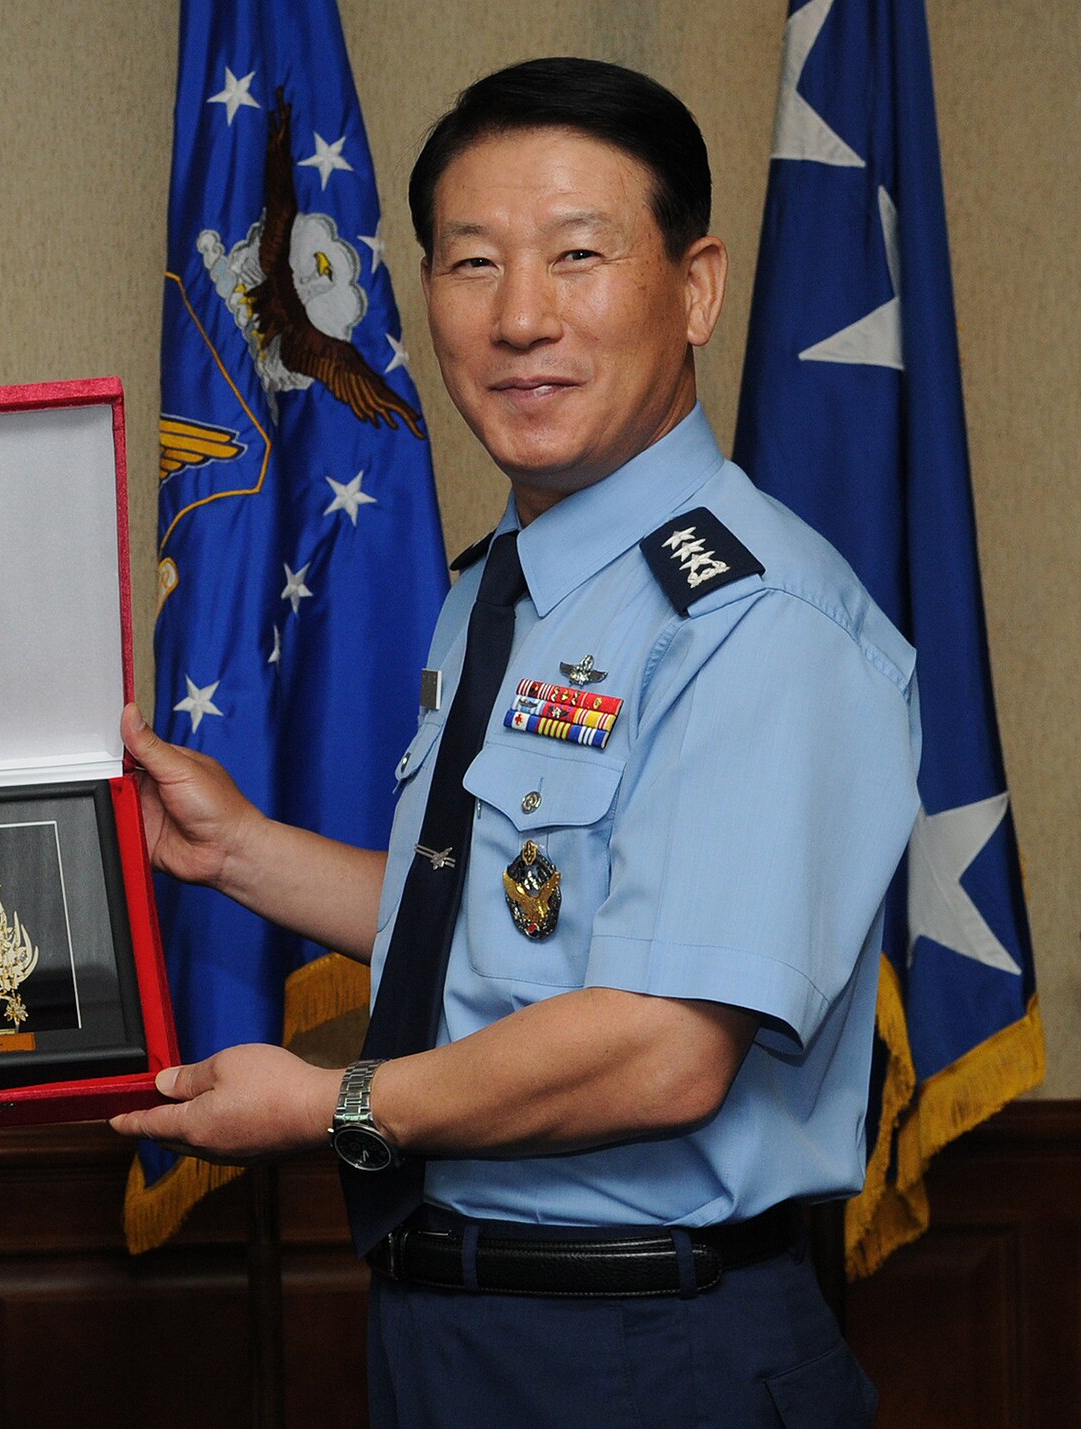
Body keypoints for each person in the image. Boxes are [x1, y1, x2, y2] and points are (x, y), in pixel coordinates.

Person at [111, 57, 918, 1428]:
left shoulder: (755, 619)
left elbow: (663, 1044)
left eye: (578, 256)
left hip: (652, 1345)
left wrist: (332, 1108)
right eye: (472, 264)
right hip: (450, 1327)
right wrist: (242, 853)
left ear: (697, 286)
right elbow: (501, 933)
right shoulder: (501, 586)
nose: (521, 317)